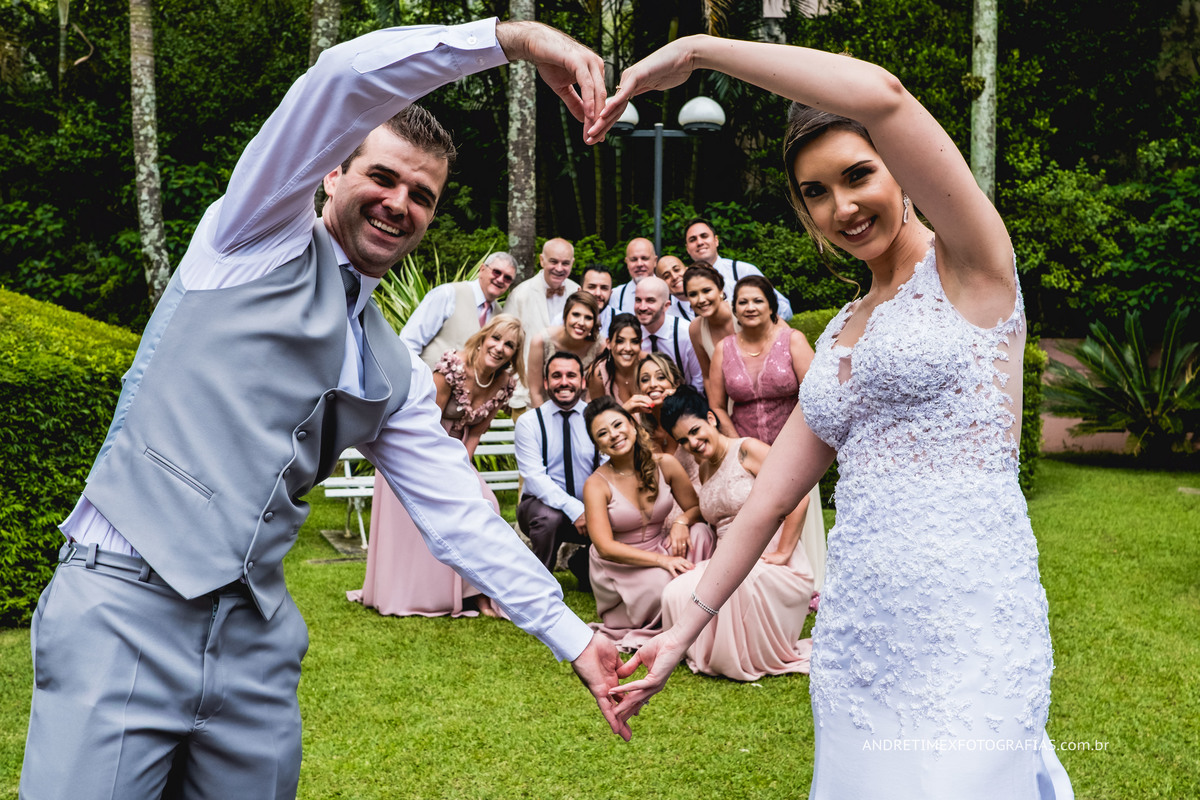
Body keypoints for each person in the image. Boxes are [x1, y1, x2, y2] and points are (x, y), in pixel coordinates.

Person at [20, 20, 633, 800]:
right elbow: (341, 77)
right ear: (330, 174)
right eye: (382, 177)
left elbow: (459, 513)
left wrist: (574, 635)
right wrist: (509, 41)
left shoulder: (395, 371)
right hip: (123, 601)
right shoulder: (250, 237)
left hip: (253, 644)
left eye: (422, 196)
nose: (398, 203)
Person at [601, 33, 1074, 799]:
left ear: (905, 171)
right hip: (860, 635)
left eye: (858, 176)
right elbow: (768, 501)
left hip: (969, 621)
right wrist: (683, 628)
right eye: (816, 192)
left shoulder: (974, 265)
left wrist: (699, 53)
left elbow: (882, 94)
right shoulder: (843, 329)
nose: (842, 208)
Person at [348, 314, 524, 619]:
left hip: (454, 454)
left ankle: (479, 595)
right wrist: (441, 469)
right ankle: (413, 595)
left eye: (510, 345)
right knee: (420, 519)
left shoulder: (503, 384)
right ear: (483, 338)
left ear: (514, 354)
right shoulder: (452, 369)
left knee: (487, 504)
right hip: (414, 449)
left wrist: (462, 469)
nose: (500, 348)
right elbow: (425, 420)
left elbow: (477, 431)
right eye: (496, 338)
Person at [660, 387, 819, 681]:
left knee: (738, 587)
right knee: (674, 592)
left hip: (771, 558)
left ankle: (742, 655)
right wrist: (682, 520)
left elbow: (800, 496)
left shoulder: (747, 450)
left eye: (695, 431)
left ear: (711, 418)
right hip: (728, 557)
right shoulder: (703, 469)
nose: (693, 443)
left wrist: (783, 553)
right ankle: (706, 651)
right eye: (683, 440)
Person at [581, 397, 713, 652]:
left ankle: (703, 607)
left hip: (661, 544)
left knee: (701, 533)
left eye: (618, 425)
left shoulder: (665, 464)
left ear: (632, 425)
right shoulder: (595, 484)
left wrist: (681, 521)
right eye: (603, 433)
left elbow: (697, 509)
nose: (614, 435)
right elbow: (605, 547)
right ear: (598, 445)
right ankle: (675, 622)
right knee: (665, 583)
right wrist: (663, 561)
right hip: (621, 563)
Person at [515, 351, 601, 591]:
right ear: (546, 383)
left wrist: (592, 509)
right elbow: (534, 478)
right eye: (557, 376)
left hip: (592, 509)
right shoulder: (530, 422)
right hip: (540, 509)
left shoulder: (597, 418)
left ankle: (583, 565)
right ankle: (539, 585)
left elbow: (608, 469)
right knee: (549, 517)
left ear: (582, 382)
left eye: (571, 375)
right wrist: (575, 509)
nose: (564, 382)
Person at [708, 274, 815, 441]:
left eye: (758, 301)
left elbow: (813, 395)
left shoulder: (793, 340)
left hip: (794, 445)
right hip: (744, 450)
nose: (750, 308)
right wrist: (738, 446)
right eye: (743, 302)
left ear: (771, 307)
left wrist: (797, 443)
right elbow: (717, 406)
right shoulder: (723, 349)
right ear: (735, 310)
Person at [503, 237, 581, 413]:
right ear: (542, 260)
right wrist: (512, 385)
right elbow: (506, 342)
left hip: (569, 395)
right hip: (526, 396)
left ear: (572, 263)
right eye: (553, 261)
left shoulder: (578, 293)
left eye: (565, 263)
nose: (559, 268)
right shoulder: (520, 294)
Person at [399, 251, 517, 367]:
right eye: (496, 272)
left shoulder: (500, 315)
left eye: (507, 278)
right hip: (427, 380)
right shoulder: (448, 293)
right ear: (482, 269)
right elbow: (410, 341)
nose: (501, 280)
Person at [683, 217, 794, 320]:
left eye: (704, 236)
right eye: (693, 239)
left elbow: (785, 309)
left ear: (716, 240)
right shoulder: (683, 283)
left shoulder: (743, 271)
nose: (700, 242)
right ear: (687, 248)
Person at [526, 290, 606, 407]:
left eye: (588, 318)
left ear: (594, 322)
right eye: (576, 315)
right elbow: (535, 392)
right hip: (543, 408)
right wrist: (543, 423)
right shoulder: (541, 341)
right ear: (565, 316)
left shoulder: (600, 347)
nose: (581, 322)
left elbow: (594, 394)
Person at [633, 276, 704, 391]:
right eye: (638, 300)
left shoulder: (685, 333)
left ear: (666, 306)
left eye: (650, 300)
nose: (642, 307)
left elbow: (698, 379)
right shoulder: (632, 334)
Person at [684, 263, 738, 397]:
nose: (701, 299)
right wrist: (717, 411)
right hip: (730, 400)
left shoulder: (744, 311)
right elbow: (708, 376)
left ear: (720, 290)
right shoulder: (695, 329)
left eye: (706, 290)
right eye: (693, 294)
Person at [588, 313, 643, 406]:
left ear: (641, 343)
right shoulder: (599, 374)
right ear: (609, 343)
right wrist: (626, 410)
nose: (628, 348)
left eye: (634, 341)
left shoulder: (648, 365)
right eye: (620, 341)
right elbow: (598, 417)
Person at [610, 237, 658, 313]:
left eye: (644, 258)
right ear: (627, 262)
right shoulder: (616, 296)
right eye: (634, 259)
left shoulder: (670, 294)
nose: (639, 264)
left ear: (655, 261)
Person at [654, 254, 694, 320]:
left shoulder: (714, 300)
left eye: (676, 270)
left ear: (687, 270)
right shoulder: (667, 318)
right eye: (667, 276)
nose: (674, 277)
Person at [581, 264, 615, 340]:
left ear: (611, 293)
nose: (598, 293)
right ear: (580, 291)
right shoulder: (563, 320)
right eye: (591, 287)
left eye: (604, 288)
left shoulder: (621, 320)